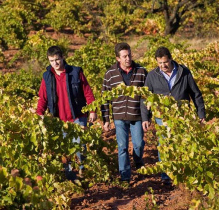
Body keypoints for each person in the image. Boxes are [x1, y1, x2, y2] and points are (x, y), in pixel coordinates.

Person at [141, 46, 206, 184]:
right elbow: (146, 98)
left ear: (170, 59)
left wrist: (201, 114)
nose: (163, 65)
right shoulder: (152, 76)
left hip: (182, 115)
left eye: (165, 62)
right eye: (160, 63)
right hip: (162, 116)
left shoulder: (184, 72)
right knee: (164, 143)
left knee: (183, 143)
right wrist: (145, 117)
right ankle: (166, 176)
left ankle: (183, 173)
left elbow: (195, 94)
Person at [36, 46, 97, 180]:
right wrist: (39, 114)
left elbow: (88, 93)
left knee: (79, 146)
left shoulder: (76, 72)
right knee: (64, 151)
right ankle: (70, 176)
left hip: (77, 116)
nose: (55, 63)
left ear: (63, 57)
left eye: (57, 60)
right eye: (52, 61)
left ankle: (83, 172)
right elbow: (43, 98)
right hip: (59, 120)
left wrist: (92, 110)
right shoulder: (47, 76)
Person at [101, 42, 147, 183]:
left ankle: (138, 163)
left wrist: (146, 117)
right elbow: (105, 98)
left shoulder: (141, 71)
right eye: (124, 56)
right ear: (117, 58)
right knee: (122, 147)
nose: (128, 58)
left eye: (129, 55)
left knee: (138, 144)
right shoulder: (110, 74)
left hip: (137, 115)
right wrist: (106, 119)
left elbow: (146, 96)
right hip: (119, 116)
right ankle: (125, 176)